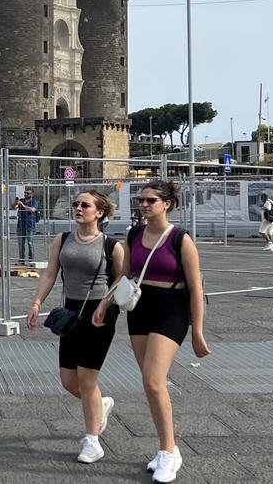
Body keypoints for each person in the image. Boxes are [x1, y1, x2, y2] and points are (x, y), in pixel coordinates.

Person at [93, 180, 211, 483]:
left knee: (154, 380)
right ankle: (167, 448)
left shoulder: (180, 239)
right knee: (149, 384)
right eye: (141, 200)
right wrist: (105, 304)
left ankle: (169, 453)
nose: (144, 205)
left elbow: (196, 288)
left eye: (150, 200)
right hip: (141, 308)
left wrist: (197, 330)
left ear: (167, 204)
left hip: (171, 309)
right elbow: (125, 276)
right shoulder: (134, 234)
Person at [26, 190, 124, 465]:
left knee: (86, 378)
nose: (78, 208)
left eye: (85, 205)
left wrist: (106, 302)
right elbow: (50, 272)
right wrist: (36, 302)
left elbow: (123, 278)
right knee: (68, 381)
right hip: (71, 311)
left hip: (100, 313)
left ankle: (92, 441)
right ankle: (100, 405)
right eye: (76, 204)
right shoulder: (63, 239)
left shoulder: (112, 245)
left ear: (100, 212)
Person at [14, 188, 39, 264]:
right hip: (20, 225)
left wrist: (23, 205)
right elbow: (13, 207)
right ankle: (21, 259)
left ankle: (31, 260)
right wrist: (15, 203)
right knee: (21, 244)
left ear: (32, 195)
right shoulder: (21, 201)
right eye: (25, 193)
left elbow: (32, 210)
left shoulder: (34, 202)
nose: (26, 195)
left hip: (30, 225)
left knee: (30, 243)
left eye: (28, 193)